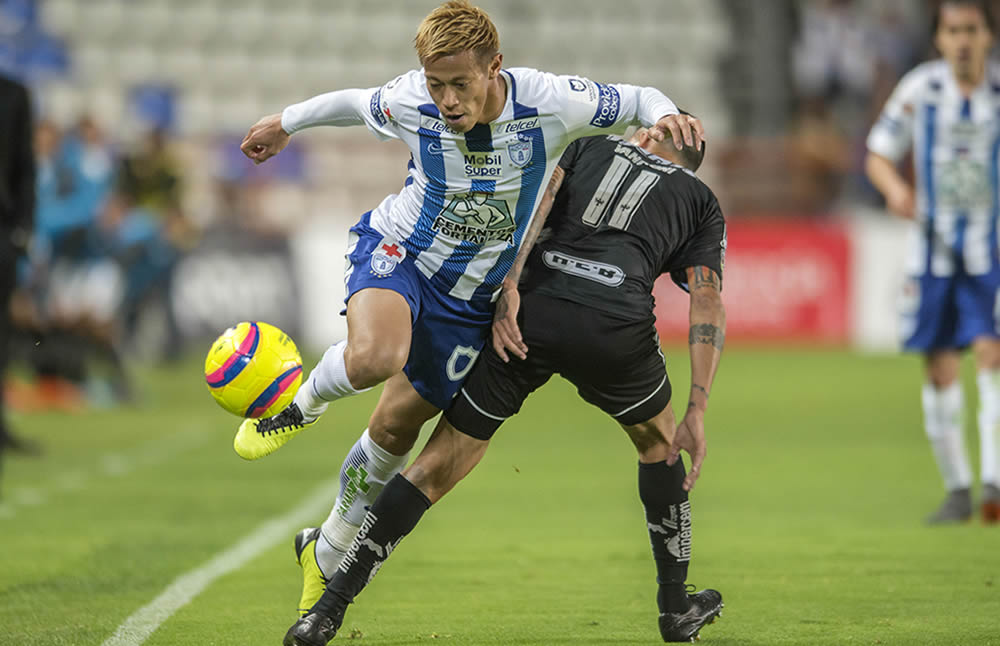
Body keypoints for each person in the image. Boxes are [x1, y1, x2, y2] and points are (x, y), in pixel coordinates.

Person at [236, 0, 705, 613]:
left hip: (471, 300)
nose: (447, 99)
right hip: (402, 250)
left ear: (494, 68)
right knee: (377, 356)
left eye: (460, 84)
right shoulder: (410, 100)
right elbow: (354, 102)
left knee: (394, 427)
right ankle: (298, 405)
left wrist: (668, 115)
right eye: (437, 85)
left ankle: (325, 551)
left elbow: (641, 96)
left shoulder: (551, 100)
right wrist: (284, 122)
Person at [284, 127, 726, 645]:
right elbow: (708, 301)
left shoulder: (589, 145)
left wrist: (511, 286)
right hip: (614, 327)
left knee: (436, 465)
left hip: (530, 312)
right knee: (660, 445)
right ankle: (675, 608)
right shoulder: (701, 201)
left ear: (654, 134)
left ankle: (326, 612)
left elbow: (532, 212)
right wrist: (697, 405)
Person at [865, 0, 1000, 525]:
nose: (963, 40)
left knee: (991, 354)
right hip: (933, 255)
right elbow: (877, 153)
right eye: (953, 31)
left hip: (989, 254)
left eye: (972, 30)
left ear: (987, 37)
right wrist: (897, 189)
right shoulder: (921, 90)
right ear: (940, 39)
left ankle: (993, 483)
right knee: (941, 367)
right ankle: (958, 490)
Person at [0, 72, 40, 482]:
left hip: (1, 231)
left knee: (1, 335)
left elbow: (25, 167)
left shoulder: (14, 93)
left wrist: (22, 229)